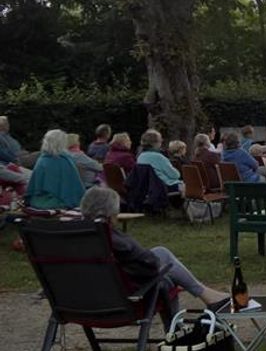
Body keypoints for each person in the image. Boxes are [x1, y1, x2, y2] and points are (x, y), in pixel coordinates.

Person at [79, 187, 228, 311]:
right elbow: (148, 261)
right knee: (164, 269)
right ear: (111, 213)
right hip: (123, 298)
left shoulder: (72, 237)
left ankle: (206, 296)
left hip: (81, 299)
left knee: (163, 262)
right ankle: (179, 327)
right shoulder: (111, 238)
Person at [24, 129, 86, 210]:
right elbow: (75, 189)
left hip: (37, 202)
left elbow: (34, 186)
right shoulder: (66, 161)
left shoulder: (41, 160)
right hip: (61, 202)